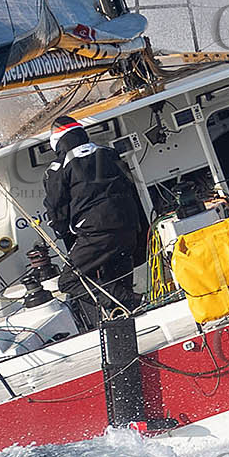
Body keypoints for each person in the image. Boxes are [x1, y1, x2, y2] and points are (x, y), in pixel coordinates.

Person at [43, 116, 149, 330]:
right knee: (117, 282)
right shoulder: (108, 153)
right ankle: (132, 318)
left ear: (56, 142)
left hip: (97, 233)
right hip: (129, 229)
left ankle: (134, 301)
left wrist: (66, 232)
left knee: (69, 281)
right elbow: (133, 190)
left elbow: (57, 211)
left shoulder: (58, 167)